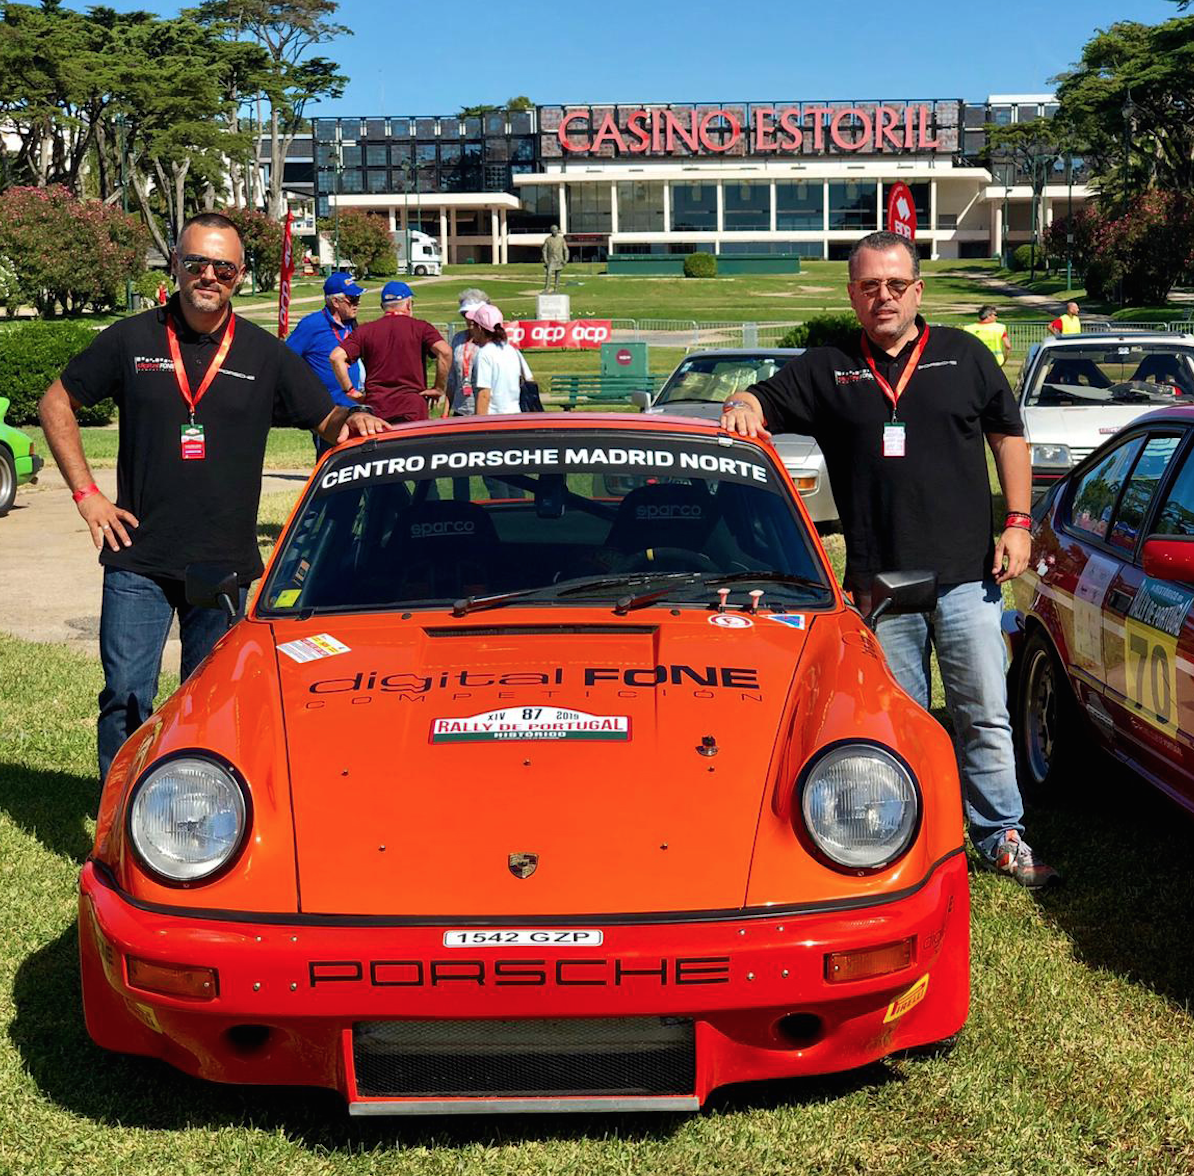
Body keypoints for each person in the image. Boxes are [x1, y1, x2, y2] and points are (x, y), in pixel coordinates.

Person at [719, 229, 1058, 889]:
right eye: (870, 286)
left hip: (967, 575)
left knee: (983, 713)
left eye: (896, 284)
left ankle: (1001, 834)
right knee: (893, 723)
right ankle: (912, 841)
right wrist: (741, 406)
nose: (884, 297)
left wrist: (1018, 523)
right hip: (880, 589)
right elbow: (760, 398)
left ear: (918, 290)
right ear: (852, 294)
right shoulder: (828, 367)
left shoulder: (963, 355)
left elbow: (1008, 437)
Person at [37, 212, 392, 784]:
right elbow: (56, 403)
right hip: (138, 558)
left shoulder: (263, 353)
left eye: (222, 267)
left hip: (223, 565)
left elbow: (324, 416)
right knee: (126, 697)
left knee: (211, 706)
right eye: (196, 262)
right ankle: (119, 817)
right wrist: (87, 494)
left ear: (239, 274)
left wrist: (354, 419)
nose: (209, 276)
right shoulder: (132, 339)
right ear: (176, 266)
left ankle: (191, 816)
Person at [330, 280, 451, 423]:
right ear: (408, 304)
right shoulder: (421, 328)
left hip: (378, 410)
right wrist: (438, 388)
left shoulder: (365, 331)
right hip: (412, 408)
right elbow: (445, 352)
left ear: (383, 306)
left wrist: (350, 390)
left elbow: (336, 357)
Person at [285, 271, 367, 457]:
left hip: (356, 408)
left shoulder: (352, 324)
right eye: (352, 299)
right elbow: (287, 360)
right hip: (329, 413)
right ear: (335, 302)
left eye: (358, 298)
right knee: (334, 461)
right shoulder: (312, 325)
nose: (357, 303)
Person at [464, 303, 531, 497]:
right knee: (516, 480)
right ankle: (519, 512)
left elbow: (484, 394)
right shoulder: (512, 351)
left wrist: (477, 429)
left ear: (480, 328)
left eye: (473, 325)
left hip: (494, 426)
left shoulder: (484, 354)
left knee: (496, 480)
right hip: (516, 422)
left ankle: (502, 514)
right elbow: (529, 379)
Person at [446, 287, 491, 419]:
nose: (470, 318)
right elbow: (452, 379)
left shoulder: (492, 342)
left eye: (474, 314)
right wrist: (445, 412)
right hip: (461, 410)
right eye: (465, 314)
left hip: (488, 411)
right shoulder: (458, 339)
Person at [541, 225, 569, 292]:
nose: (555, 231)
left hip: (559, 259)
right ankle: (546, 288)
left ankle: (556, 288)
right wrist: (545, 260)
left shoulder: (561, 239)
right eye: (553, 230)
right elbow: (544, 250)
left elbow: (566, 250)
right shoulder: (548, 239)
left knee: (558, 274)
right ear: (551, 231)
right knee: (549, 273)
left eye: (556, 230)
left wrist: (566, 259)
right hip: (551, 260)